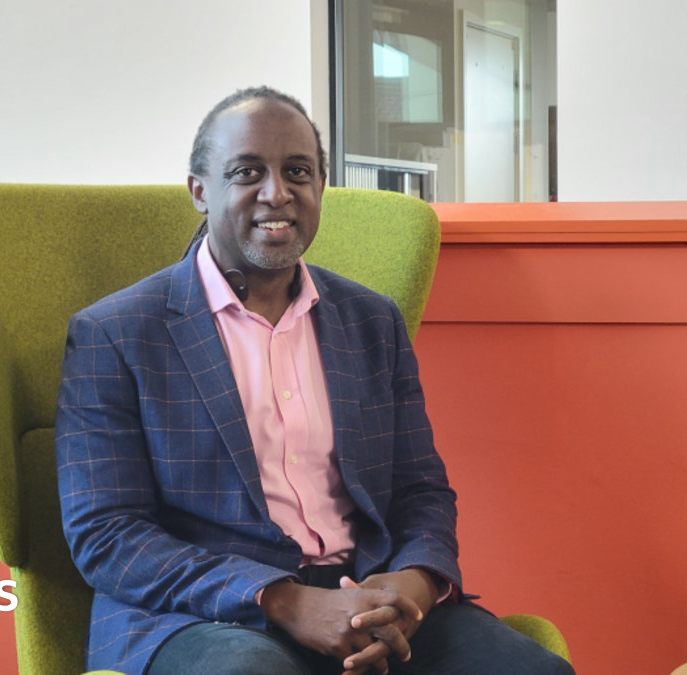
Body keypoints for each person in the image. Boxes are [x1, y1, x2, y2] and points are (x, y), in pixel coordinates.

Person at [55, 86, 574, 675]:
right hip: (204, 614)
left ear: (320, 186)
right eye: (247, 172)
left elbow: (420, 491)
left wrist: (414, 585)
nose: (277, 192)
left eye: (297, 171)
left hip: (365, 593)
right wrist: (285, 600)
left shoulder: (371, 320)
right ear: (200, 190)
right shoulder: (116, 333)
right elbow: (107, 535)